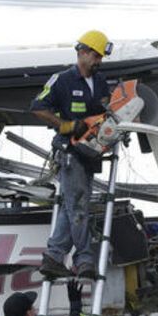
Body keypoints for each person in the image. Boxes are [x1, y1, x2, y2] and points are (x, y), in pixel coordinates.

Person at [32, 30, 114, 280]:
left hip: (90, 152)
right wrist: (65, 126)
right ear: (82, 53)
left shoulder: (99, 82)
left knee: (72, 207)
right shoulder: (62, 80)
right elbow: (37, 108)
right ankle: (85, 259)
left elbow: (106, 111)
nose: (99, 61)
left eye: (100, 57)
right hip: (70, 152)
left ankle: (54, 257)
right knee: (78, 207)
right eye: (96, 56)